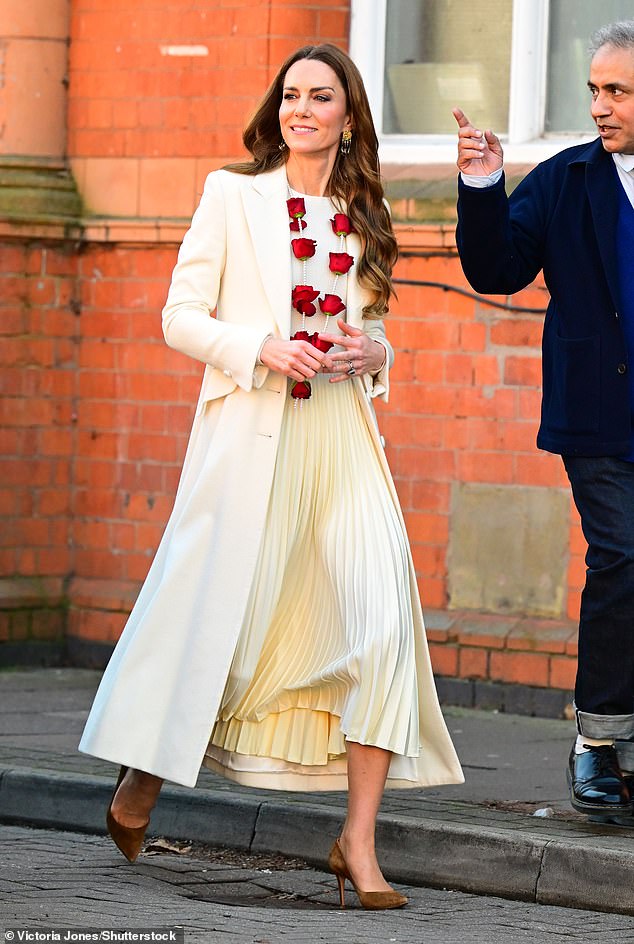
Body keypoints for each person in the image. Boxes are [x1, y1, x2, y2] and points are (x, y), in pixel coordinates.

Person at [79, 42, 463, 908]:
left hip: (341, 438)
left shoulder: (365, 211)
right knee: (231, 630)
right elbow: (179, 315)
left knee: (382, 621)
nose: (300, 109)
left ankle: (357, 845)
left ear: (347, 116)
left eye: (320, 97)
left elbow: (373, 332)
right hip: (254, 437)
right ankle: (145, 776)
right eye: (290, 95)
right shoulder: (234, 196)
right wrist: (257, 346)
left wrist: (378, 351)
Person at [453, 19, 634, 818]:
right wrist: (486, 186)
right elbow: (498, 269)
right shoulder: (564, 181)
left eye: (617, 90)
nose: (599, 105)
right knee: (624, 555)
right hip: (597, 414)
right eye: (594, 89)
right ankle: (599, 742)